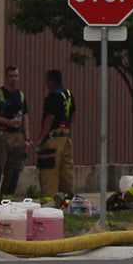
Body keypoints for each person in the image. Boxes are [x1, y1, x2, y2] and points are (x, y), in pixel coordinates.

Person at [0, 65, 28, 199]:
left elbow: (25, 117)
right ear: (6, 77)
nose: (13, 79)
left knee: (14, 172)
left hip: (18, 137)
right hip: (1, 135)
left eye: (16, 76)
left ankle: (7, 202)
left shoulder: (21, 96)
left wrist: (27, 138)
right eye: (11, 76)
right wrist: (7, 122)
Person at [35, 67, 75, 204]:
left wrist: (41, 138)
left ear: (52, 81)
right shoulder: (68, 94)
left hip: (53, 139)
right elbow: (73, 114)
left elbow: (49, 118)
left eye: (47, 80)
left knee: (49, 171)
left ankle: (48, 205)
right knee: (66, 171)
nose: (46, 83)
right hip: (66, 138)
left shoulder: (53, 96)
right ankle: (67, 203)